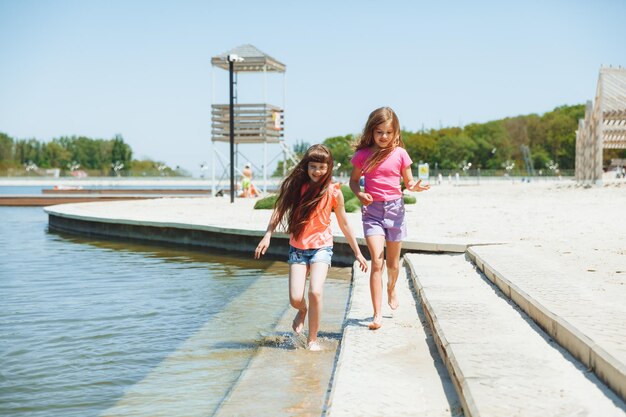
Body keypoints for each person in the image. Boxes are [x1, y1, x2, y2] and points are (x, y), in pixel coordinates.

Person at [255, 144, 368, 350]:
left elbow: (344, 223)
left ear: (329, 167)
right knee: (295, 298)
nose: (317, 171)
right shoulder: (297, 188)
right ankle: (303, 311)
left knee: (315, 291)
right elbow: (279, 212)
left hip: (321, 248)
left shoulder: (334, 191)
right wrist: (267, 235)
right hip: (297, 248)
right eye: (313, 166)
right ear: (306, 167)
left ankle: (312, 339)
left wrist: (358, 253)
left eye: (322, 167)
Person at [349, 107, 430, 330]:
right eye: (379, 132)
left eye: (388, 132)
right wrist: (359, 193)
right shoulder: (363, 155)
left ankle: (391, 288)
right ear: (371, 132)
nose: (384, 137)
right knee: (377, 260)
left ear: (395, 132)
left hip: (395, 211)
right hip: (372, 212)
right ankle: (377, 314)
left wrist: (414, 186)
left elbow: (409, 181)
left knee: (393, 264)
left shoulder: (401, 154)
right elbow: (353, 181)